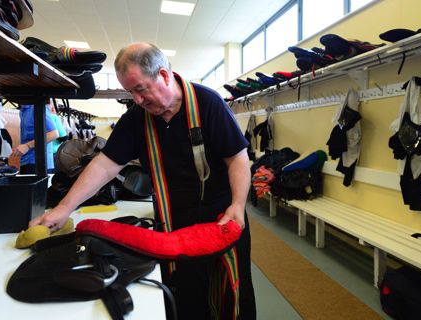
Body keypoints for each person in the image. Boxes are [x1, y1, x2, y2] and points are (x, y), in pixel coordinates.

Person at [29, 42, 256, 319]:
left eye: (140, 89)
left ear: (163, 75)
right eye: (130, 92)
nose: (136, 100)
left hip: (222, 218)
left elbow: (237, 158)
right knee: (186, 297)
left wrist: (237, 204)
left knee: (231, 294)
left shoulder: (208, 103)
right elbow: (105, 165)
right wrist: (63, 209)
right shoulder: (137, 118)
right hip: (173, 223)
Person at [11, 103, 59, 174]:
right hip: (27, 161)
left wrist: (27, 146)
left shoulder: (37, 107)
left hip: (39, 163)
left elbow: (54, 134)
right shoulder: (22, 110)